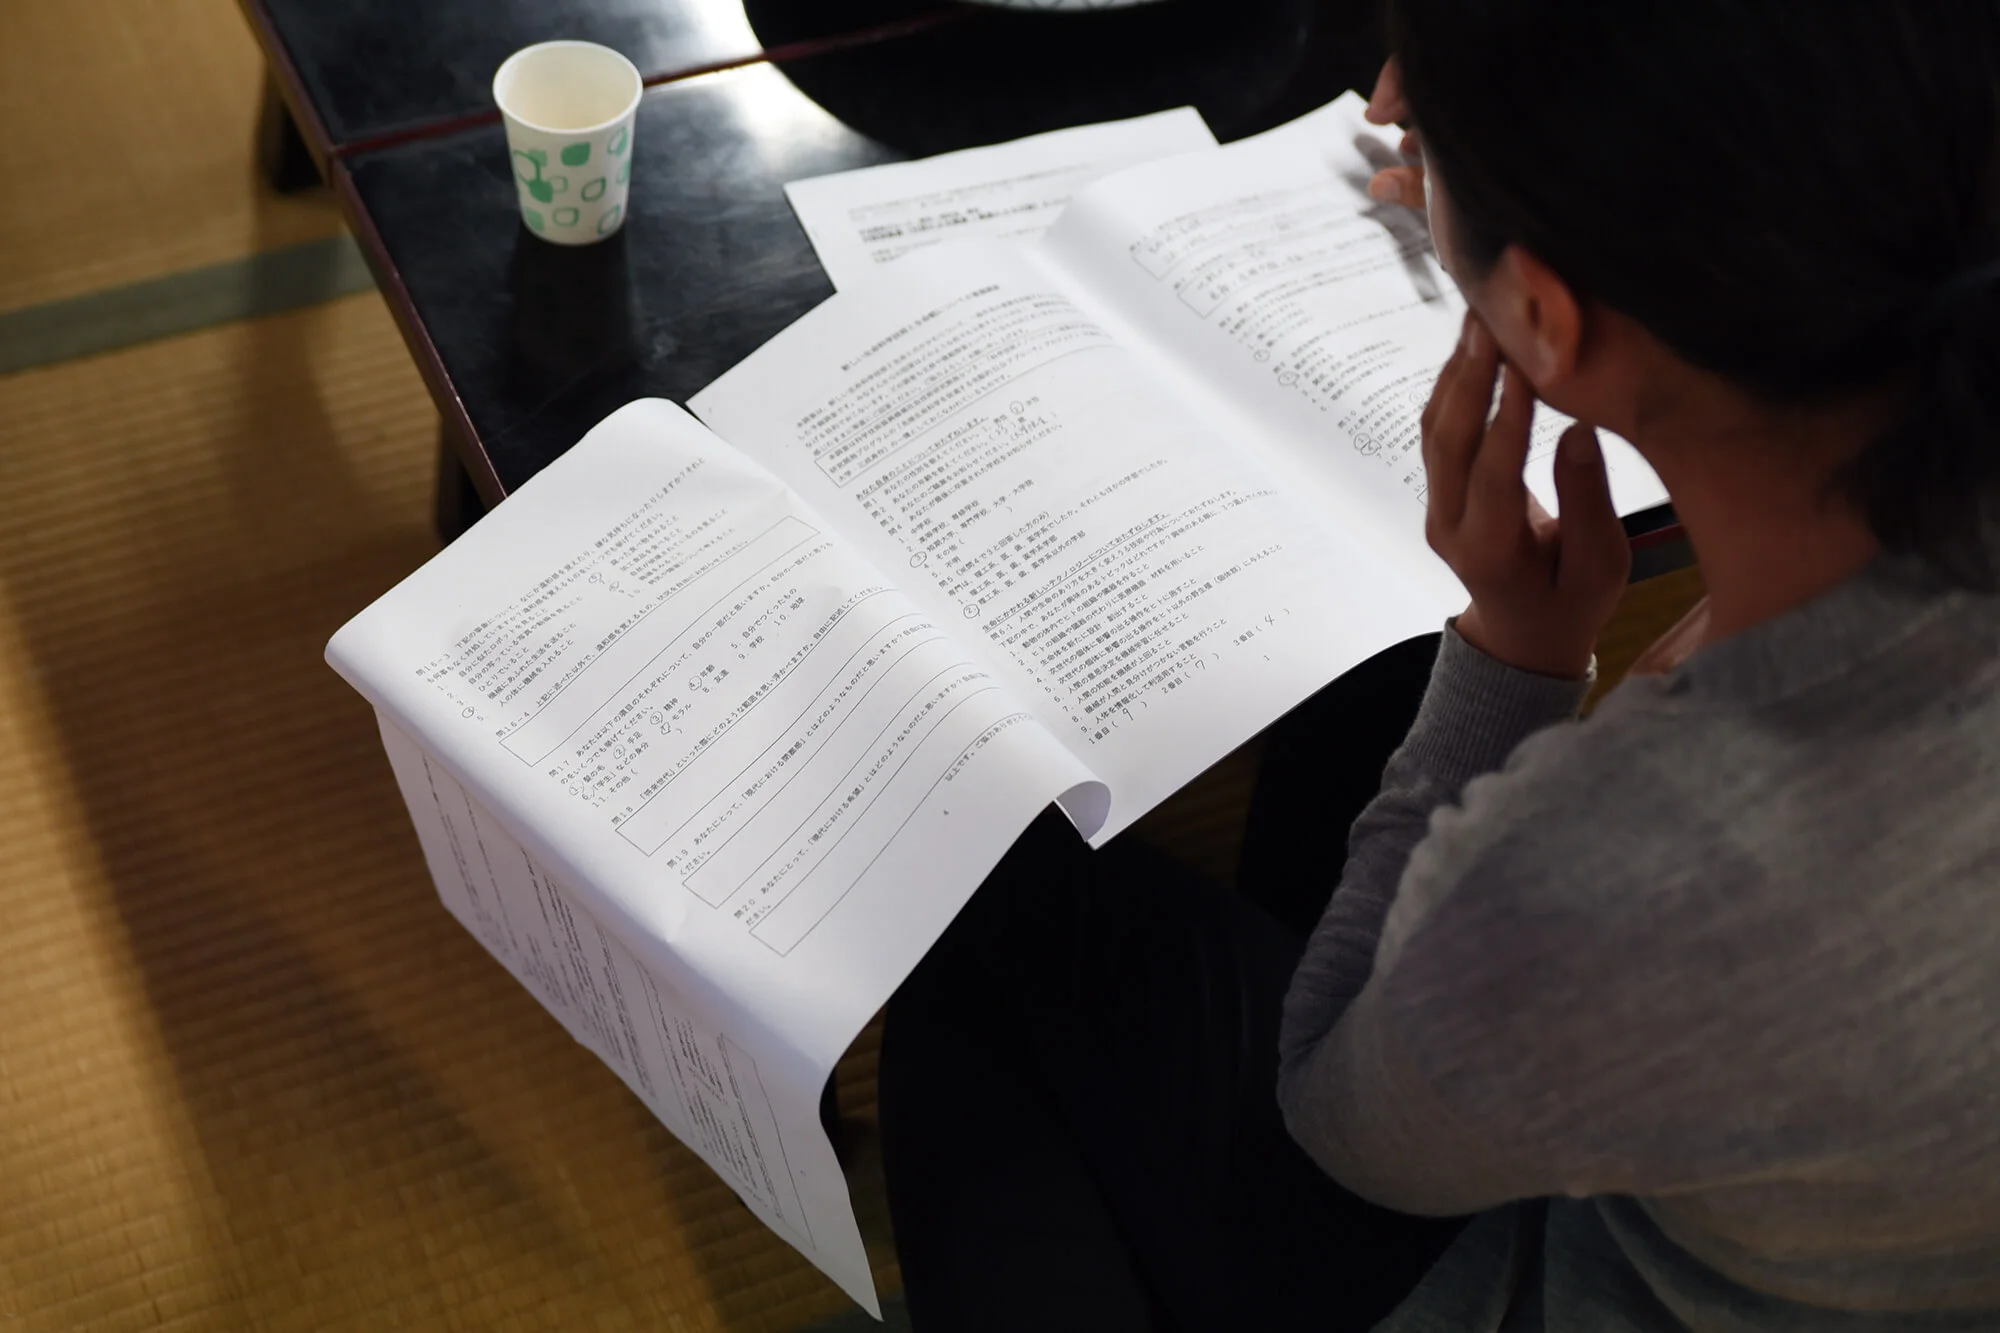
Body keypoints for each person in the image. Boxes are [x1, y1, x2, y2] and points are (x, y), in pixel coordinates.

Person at [878, 2, 2000, 1329]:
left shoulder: (1626, 868)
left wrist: (1520, 657)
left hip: (1546, 1239)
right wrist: (1531, 171)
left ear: (1544, 314)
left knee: (965, 905)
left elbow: (1334, 1124)